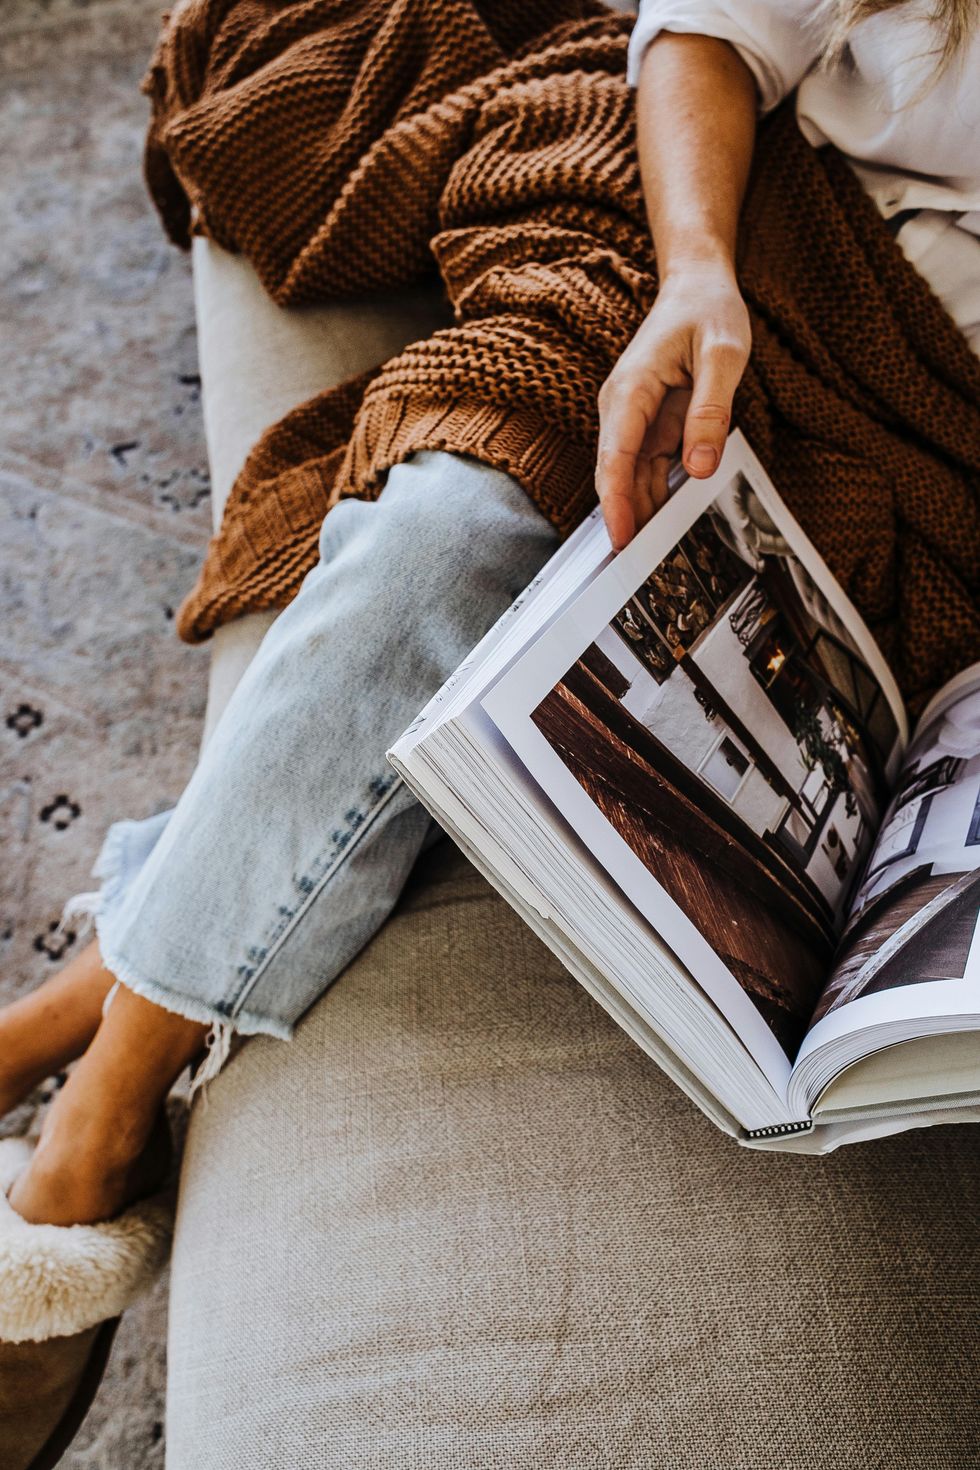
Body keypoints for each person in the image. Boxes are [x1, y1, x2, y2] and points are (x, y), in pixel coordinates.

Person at [1, 0, 977, 1234]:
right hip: (735, 230)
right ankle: (103, 1123)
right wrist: (694, 274)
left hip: (937, 439)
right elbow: (707, 29)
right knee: (453, 531)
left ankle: (81, 1007)